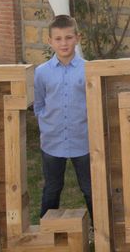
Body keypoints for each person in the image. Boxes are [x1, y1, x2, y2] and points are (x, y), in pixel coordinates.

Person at [34, 15, 93, 221]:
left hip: (83, 139)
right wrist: (47, 123)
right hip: (52, 141)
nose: (64, 43)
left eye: (68, 37)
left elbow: (94, 103)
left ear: (77, 38)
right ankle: (45, 232)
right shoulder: (41, 73)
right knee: (52, 187)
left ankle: (100, 230)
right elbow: (39, 104)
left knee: (90, 188)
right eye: (58, 39)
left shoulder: (89, 70)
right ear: (50, 41)